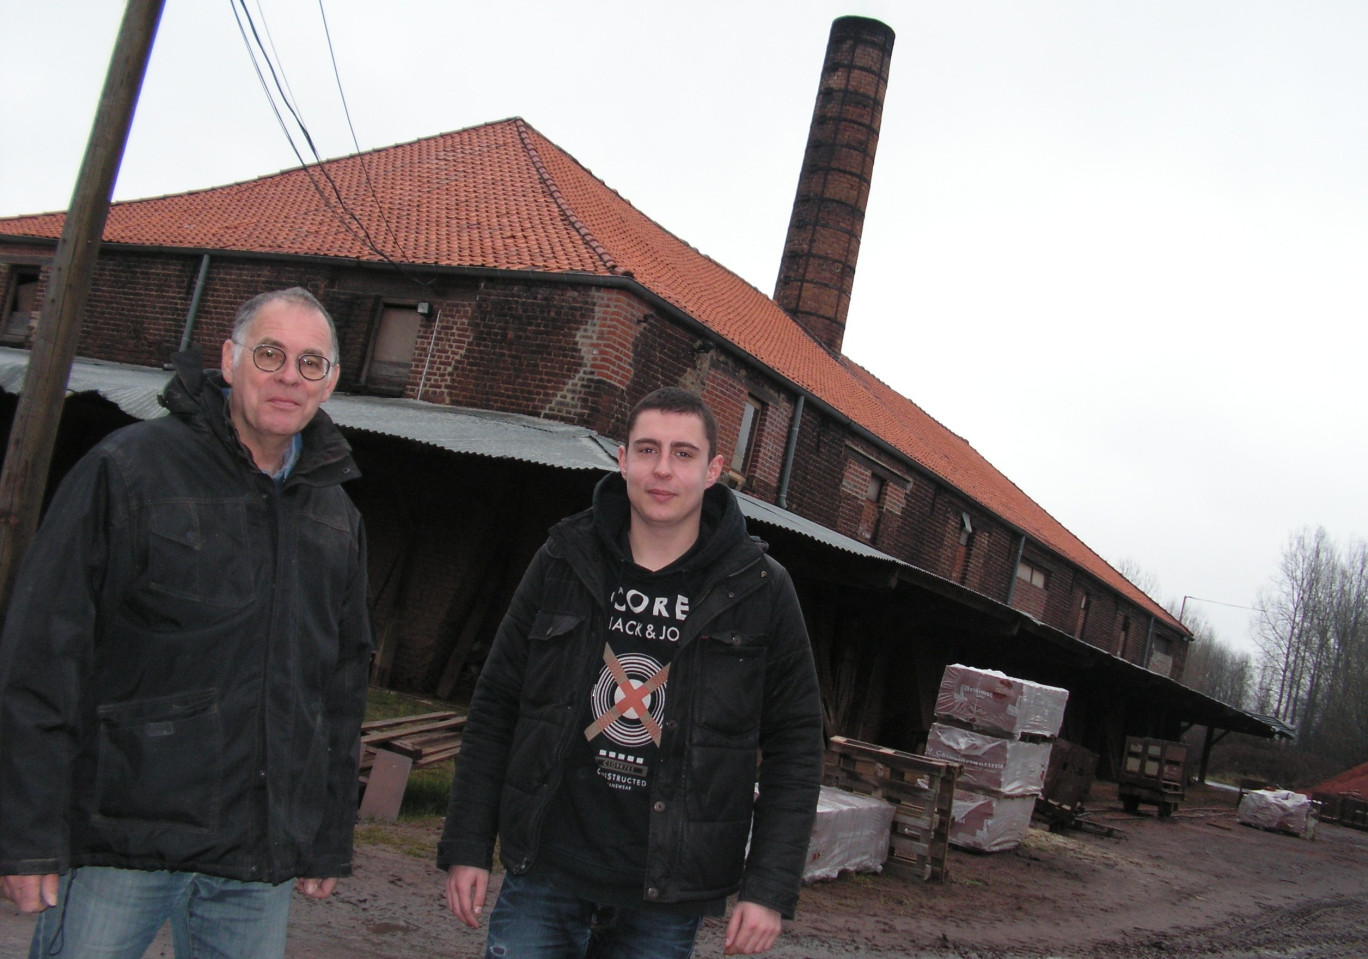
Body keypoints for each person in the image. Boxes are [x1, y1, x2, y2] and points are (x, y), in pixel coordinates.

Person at [0, 287, 373, 959]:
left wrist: (325, 833)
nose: (289, 375)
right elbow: (42, 654)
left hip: (256, 861)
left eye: (310, 362)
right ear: (230, 361)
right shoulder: (130, 469)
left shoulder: (336, 518)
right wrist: (27, 834)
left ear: (332, 381)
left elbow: (339, 687)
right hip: (122, 843)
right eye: (270, 353)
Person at [439, 387, 824, 957]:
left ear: (714, 470)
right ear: (622, 459)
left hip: (666, 893)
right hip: (548, 868)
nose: (662, 470)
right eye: (647, 450)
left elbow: (796, 746)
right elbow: (496, 704)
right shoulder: (563, 560)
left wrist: (768, 887)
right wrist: (468, 843)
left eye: (684, 454)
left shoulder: (761, 588)